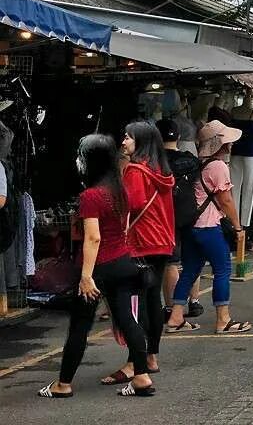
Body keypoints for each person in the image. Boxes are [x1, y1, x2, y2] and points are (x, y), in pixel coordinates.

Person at [39, 134, 155, 399]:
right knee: (128, 320)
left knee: (80, 326)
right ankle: (141, 377)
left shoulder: (91, 195)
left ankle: (63, 384)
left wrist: (86, 277)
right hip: (123, 262)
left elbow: (93, 237)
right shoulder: (119, 190)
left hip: (99, 266)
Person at [99, 122, 175, 387]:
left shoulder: (135, 171)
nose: (123, 142)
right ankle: (151, 357)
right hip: (162, 241)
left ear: (140, 141)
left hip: (141, 242)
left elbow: (130, 204)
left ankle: (135, 362)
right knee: (152, 300)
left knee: (136, 303)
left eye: (128, 137)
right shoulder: (160, 171)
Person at [165, 120, 251, 334]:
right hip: (208, 227)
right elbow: (226, 200)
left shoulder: (197, 163)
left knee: (190, 271)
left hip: (191, 227)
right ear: (221, 144)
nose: (231, 145)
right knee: (223, 270)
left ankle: (175, 317)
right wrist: (238, 227)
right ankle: (223, 320)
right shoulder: (218, 166)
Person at [154, 119, 203, 323]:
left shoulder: (155, 162)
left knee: (171, 262)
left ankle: (173, 307)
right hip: (190, 212)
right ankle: (194, 301)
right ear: (179, 137)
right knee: (192, 258)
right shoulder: (191, 160)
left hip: (166, 215)